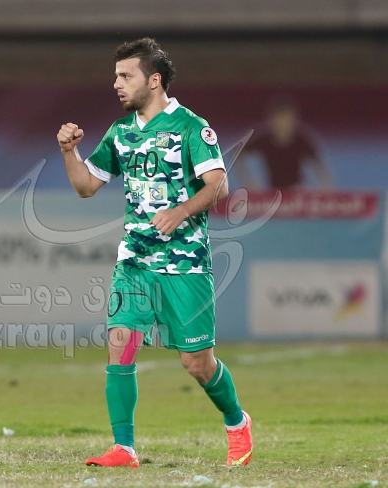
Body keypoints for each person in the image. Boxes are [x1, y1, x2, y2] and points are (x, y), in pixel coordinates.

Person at [57, 38, 252, 469]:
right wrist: (69, 152)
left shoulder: (191, 127)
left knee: (197, 364)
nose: (117, 84)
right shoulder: (120, 133)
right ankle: (124, 448)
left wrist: (180, 211)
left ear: (154, 80)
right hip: (135, 262)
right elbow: (86, 186)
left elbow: (219, 185)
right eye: (116, 76)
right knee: (120, 343)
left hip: (185, 265)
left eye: (125, 75)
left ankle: (237, 423)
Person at [236, 99, 333, 189]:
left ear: (293, 119)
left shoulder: (301, 139)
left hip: (297, 189)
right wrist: (248, 181)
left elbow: (319, 166)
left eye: (287, 119)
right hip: (273, 190)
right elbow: (238, 154)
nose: (283, 123)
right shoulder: (264, 139)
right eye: (280, 119)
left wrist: (327, 187)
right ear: (272, 119)